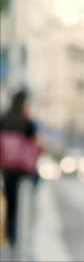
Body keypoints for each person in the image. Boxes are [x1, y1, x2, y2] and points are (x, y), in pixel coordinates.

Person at [0, 88, 38, 247]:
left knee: (10, 202)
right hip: (23, 169)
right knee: (24, 199)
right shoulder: (26, 122)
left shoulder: (3, 118)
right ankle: (18, 236)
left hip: (7, 168)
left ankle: (10, 235)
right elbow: (34, 142)